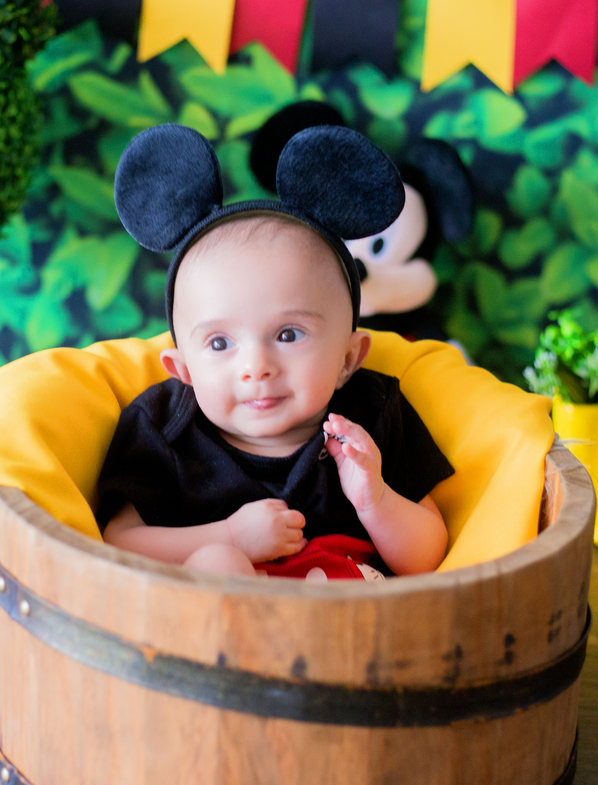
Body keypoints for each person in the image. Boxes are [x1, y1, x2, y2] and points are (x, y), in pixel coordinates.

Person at [94, 212, 453, 580]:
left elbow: (426, 558)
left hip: (350, 624)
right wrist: (231, 537)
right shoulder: (163, 429)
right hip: (230, 627)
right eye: (220, 343)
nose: (257, 366)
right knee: (218, 564)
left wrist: (375, 500)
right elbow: (120, 544)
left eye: (288, 335)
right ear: (184, 371)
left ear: (347, 359)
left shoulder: (369, 417)